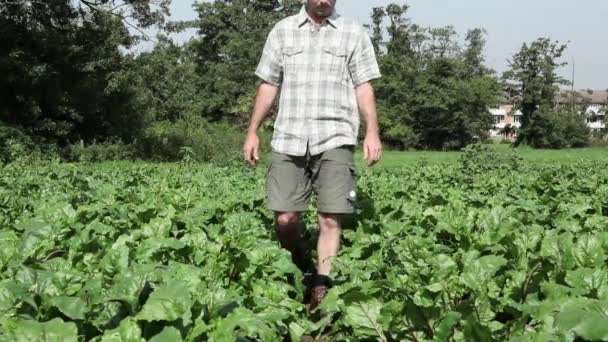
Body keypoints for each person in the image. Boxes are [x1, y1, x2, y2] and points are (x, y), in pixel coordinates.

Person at [243, 0, 382, 310]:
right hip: (289, 137)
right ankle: (297, 261)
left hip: (335, 135)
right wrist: (253, 130)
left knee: (331, 217)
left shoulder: (352, 31)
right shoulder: (282, 31)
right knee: (286, 218)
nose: (324, 0)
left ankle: (322, 284)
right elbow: (268, 84)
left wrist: (372, 131)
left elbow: (363, 85)